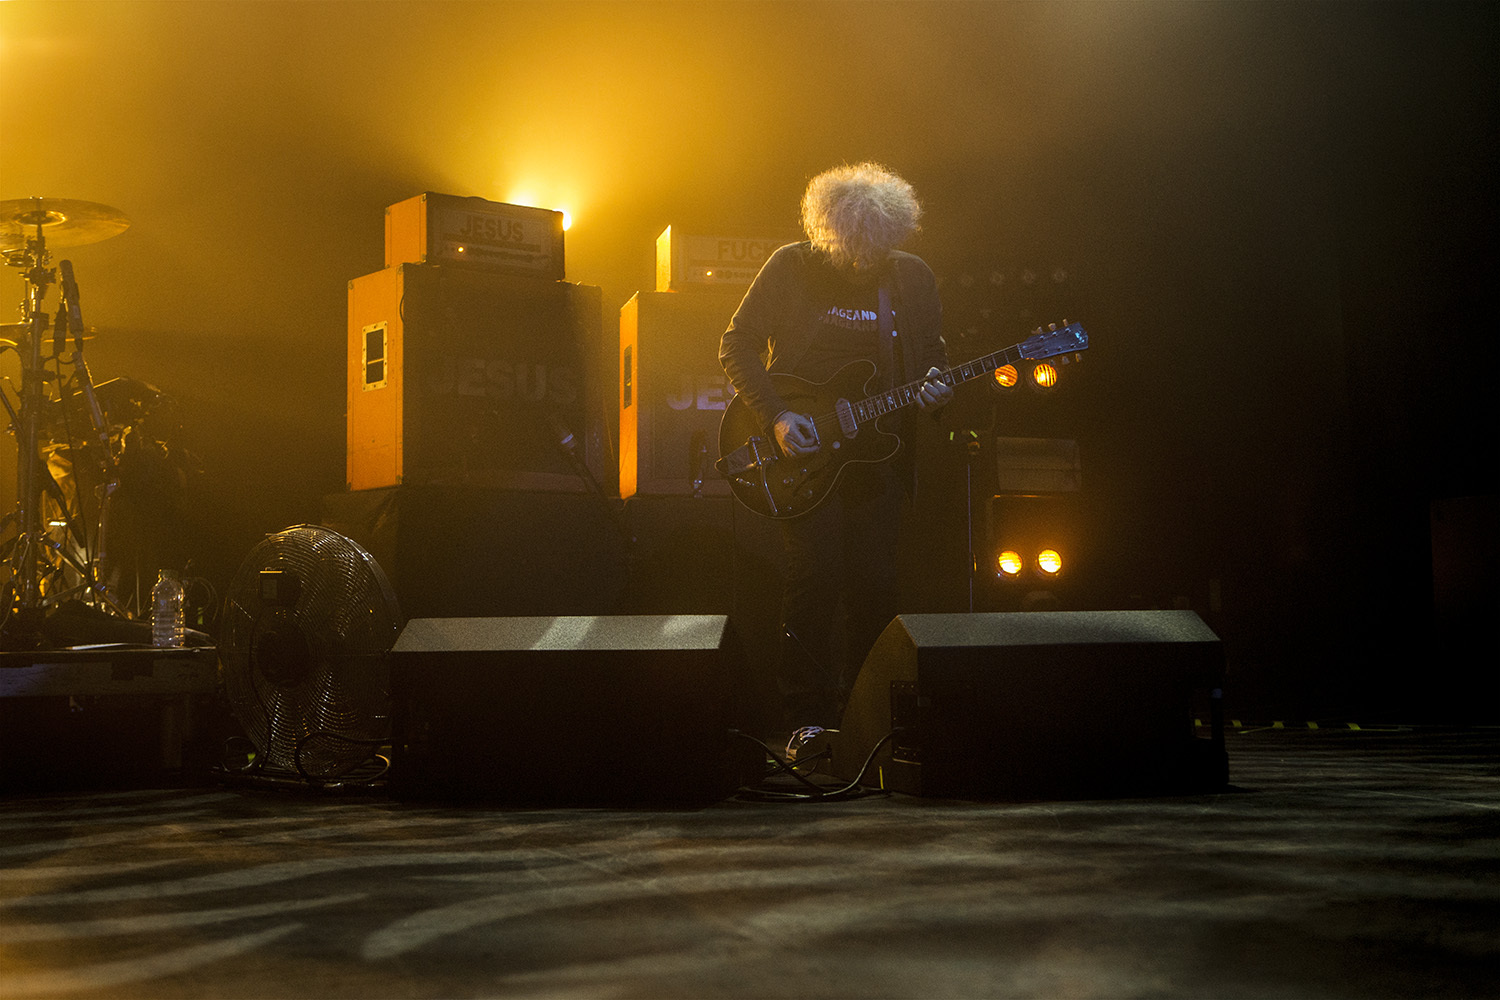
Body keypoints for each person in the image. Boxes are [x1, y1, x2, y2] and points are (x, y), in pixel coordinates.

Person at [719, 162, 954, 735]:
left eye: (878, 246)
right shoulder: (791, 265)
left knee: (876, 582)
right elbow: (737, 345)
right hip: (803, 452)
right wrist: (776, 416)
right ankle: (807, 721)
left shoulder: (912, 277)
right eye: (854, 245)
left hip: (879, 454)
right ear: (829, 232)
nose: (864, 258)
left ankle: (869, 718)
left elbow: (933, 361)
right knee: (815, 576)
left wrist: (938, 393)